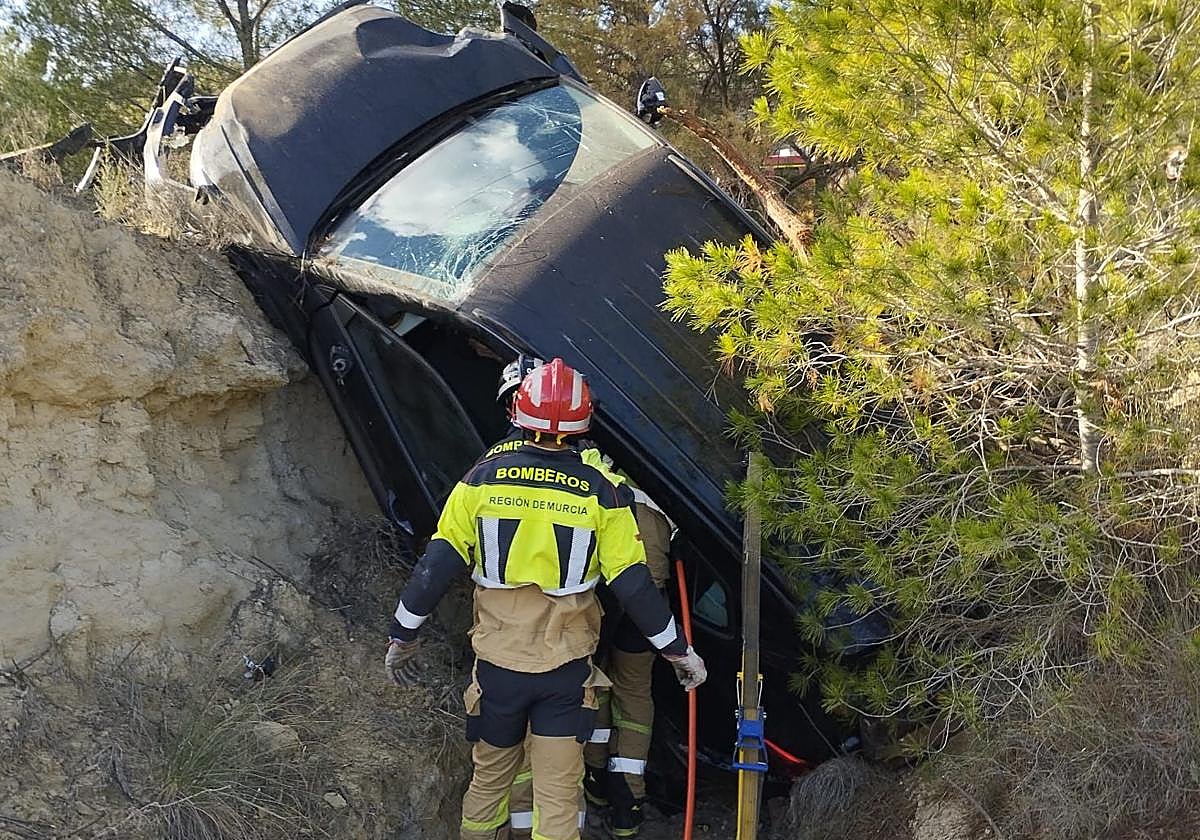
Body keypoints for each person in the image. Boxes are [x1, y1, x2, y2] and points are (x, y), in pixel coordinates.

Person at [386, 358, 707, 840]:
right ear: (584, 423)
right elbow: (634, 586)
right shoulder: (603, 493)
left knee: (488, 785)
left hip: (499, 670)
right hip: (564, 674)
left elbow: (436, 565)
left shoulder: (481, 480)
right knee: (558, 797)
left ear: (517, 414)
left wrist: (402, 634)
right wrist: (679, 652)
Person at [494, 356, 675, 839]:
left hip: (597, 588)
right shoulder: (620, 457)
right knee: (633, 688)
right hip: (647, 584)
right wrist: (678, 649)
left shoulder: (530, 467)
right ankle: (626, 804)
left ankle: (587, 786)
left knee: (583, 685)